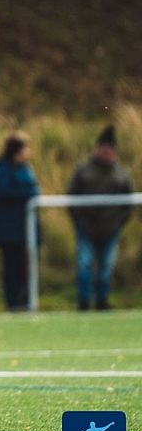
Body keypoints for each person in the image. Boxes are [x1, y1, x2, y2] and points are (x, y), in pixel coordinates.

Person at [67, 125, 135, 310]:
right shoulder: (83, 171)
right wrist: (79, 220)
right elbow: (71, 196)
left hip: (111, 229)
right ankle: (83, 302)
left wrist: (118, 223)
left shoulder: (121, 174)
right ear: (97, 149)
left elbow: (128, 202)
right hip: (86, 228)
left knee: (106, 268)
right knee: (84, 265)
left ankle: (102, 301)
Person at [0, 132, 39, 311]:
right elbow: (3, 192)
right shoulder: (3, 168)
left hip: (26, 227)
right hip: (9, 229)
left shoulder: (25, 168)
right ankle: (12, 302)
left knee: (24, 266)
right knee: (11, 266)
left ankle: (25, 300)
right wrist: (28, 193)